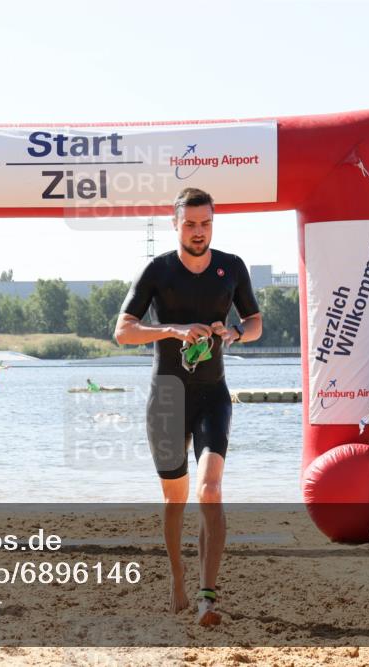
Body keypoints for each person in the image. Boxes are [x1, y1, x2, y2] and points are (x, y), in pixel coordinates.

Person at [113, 187, 263, 626]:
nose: (199, 232)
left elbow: (254, 323)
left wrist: (235, 333)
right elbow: (123, 332)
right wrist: (175, 330)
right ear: (175, 224)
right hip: (167, 397)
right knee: (176, 499)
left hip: (213, 395)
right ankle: (178, 574)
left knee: (211, 490)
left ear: (213, 223)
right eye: (191, 224)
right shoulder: (157, 270)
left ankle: (207, 596)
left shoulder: (231, 267)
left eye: (206, 224)